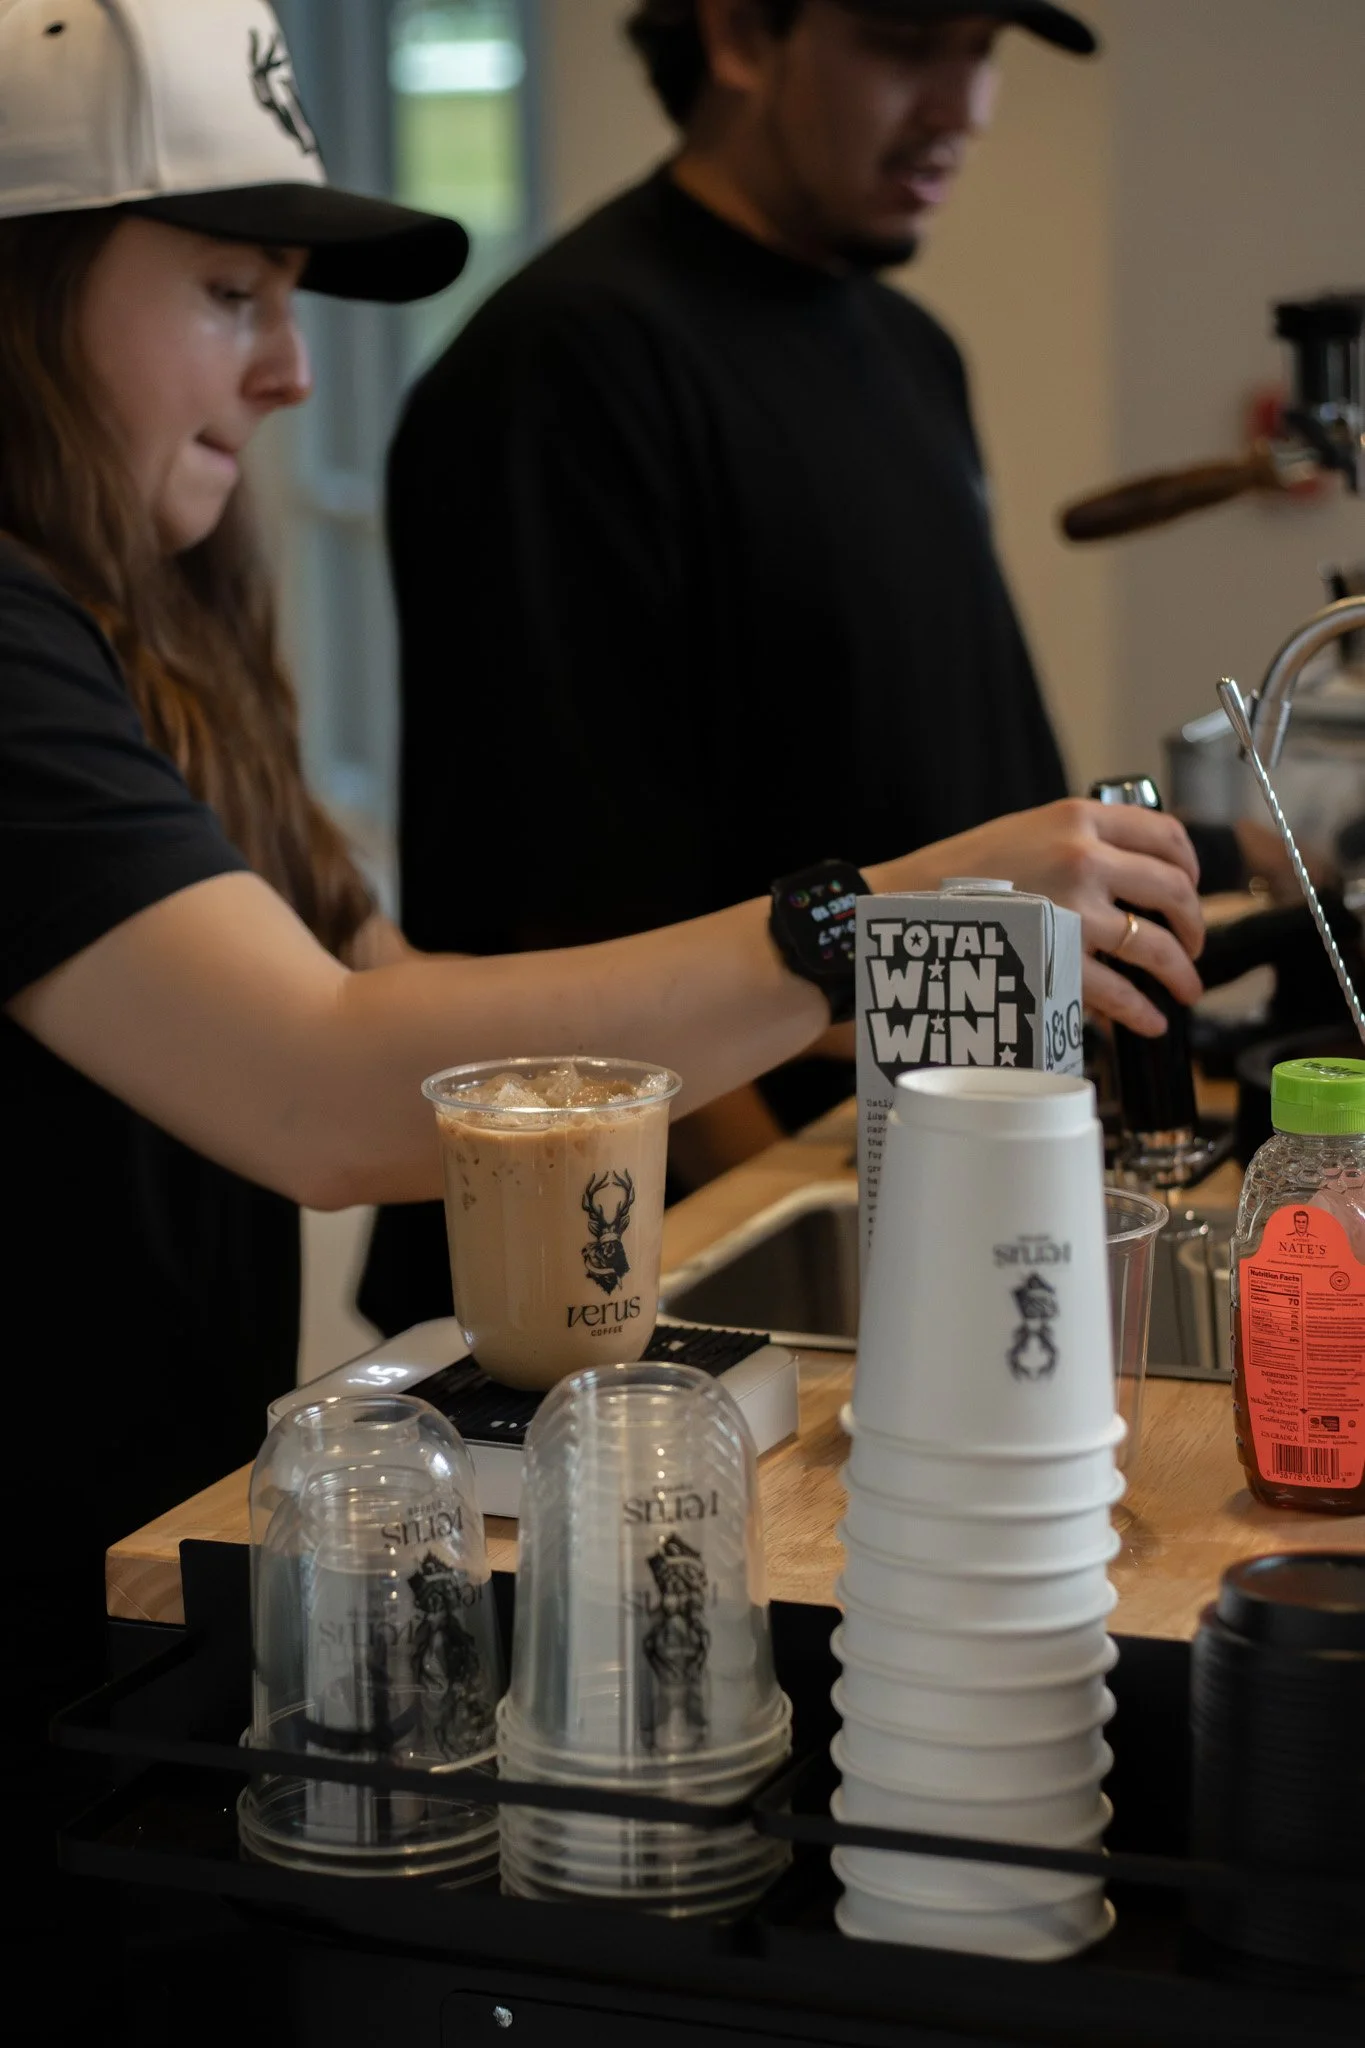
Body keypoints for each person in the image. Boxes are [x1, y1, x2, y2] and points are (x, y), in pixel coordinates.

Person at [1, 2, 1201, 2029]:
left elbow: (397, 1000)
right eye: (226, 295)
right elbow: (322, 1091)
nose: (290, 371)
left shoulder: (143, 643)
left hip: (144, 1631)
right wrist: (862, 925)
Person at [360, 0, 1135, 1331]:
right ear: (737, 36)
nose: (964, 106)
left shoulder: (911, 352)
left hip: (928, 1197)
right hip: (625, 1293)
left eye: (982, 53)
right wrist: (809, 1263)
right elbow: (572, 916)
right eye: (909, 42)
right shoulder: (568, 366)